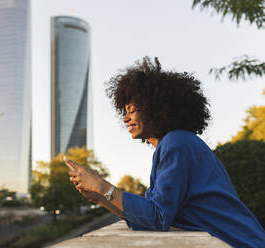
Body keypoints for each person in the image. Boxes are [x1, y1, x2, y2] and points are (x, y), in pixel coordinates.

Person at [64, 57, 265, 247]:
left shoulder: (176, 143)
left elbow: (158, 217)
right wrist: (99, 197)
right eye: (124, 112)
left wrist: (102, 187)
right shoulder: (172, 145)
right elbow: (146, 218)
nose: (125, 118)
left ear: (155, 108)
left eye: (132, 110)